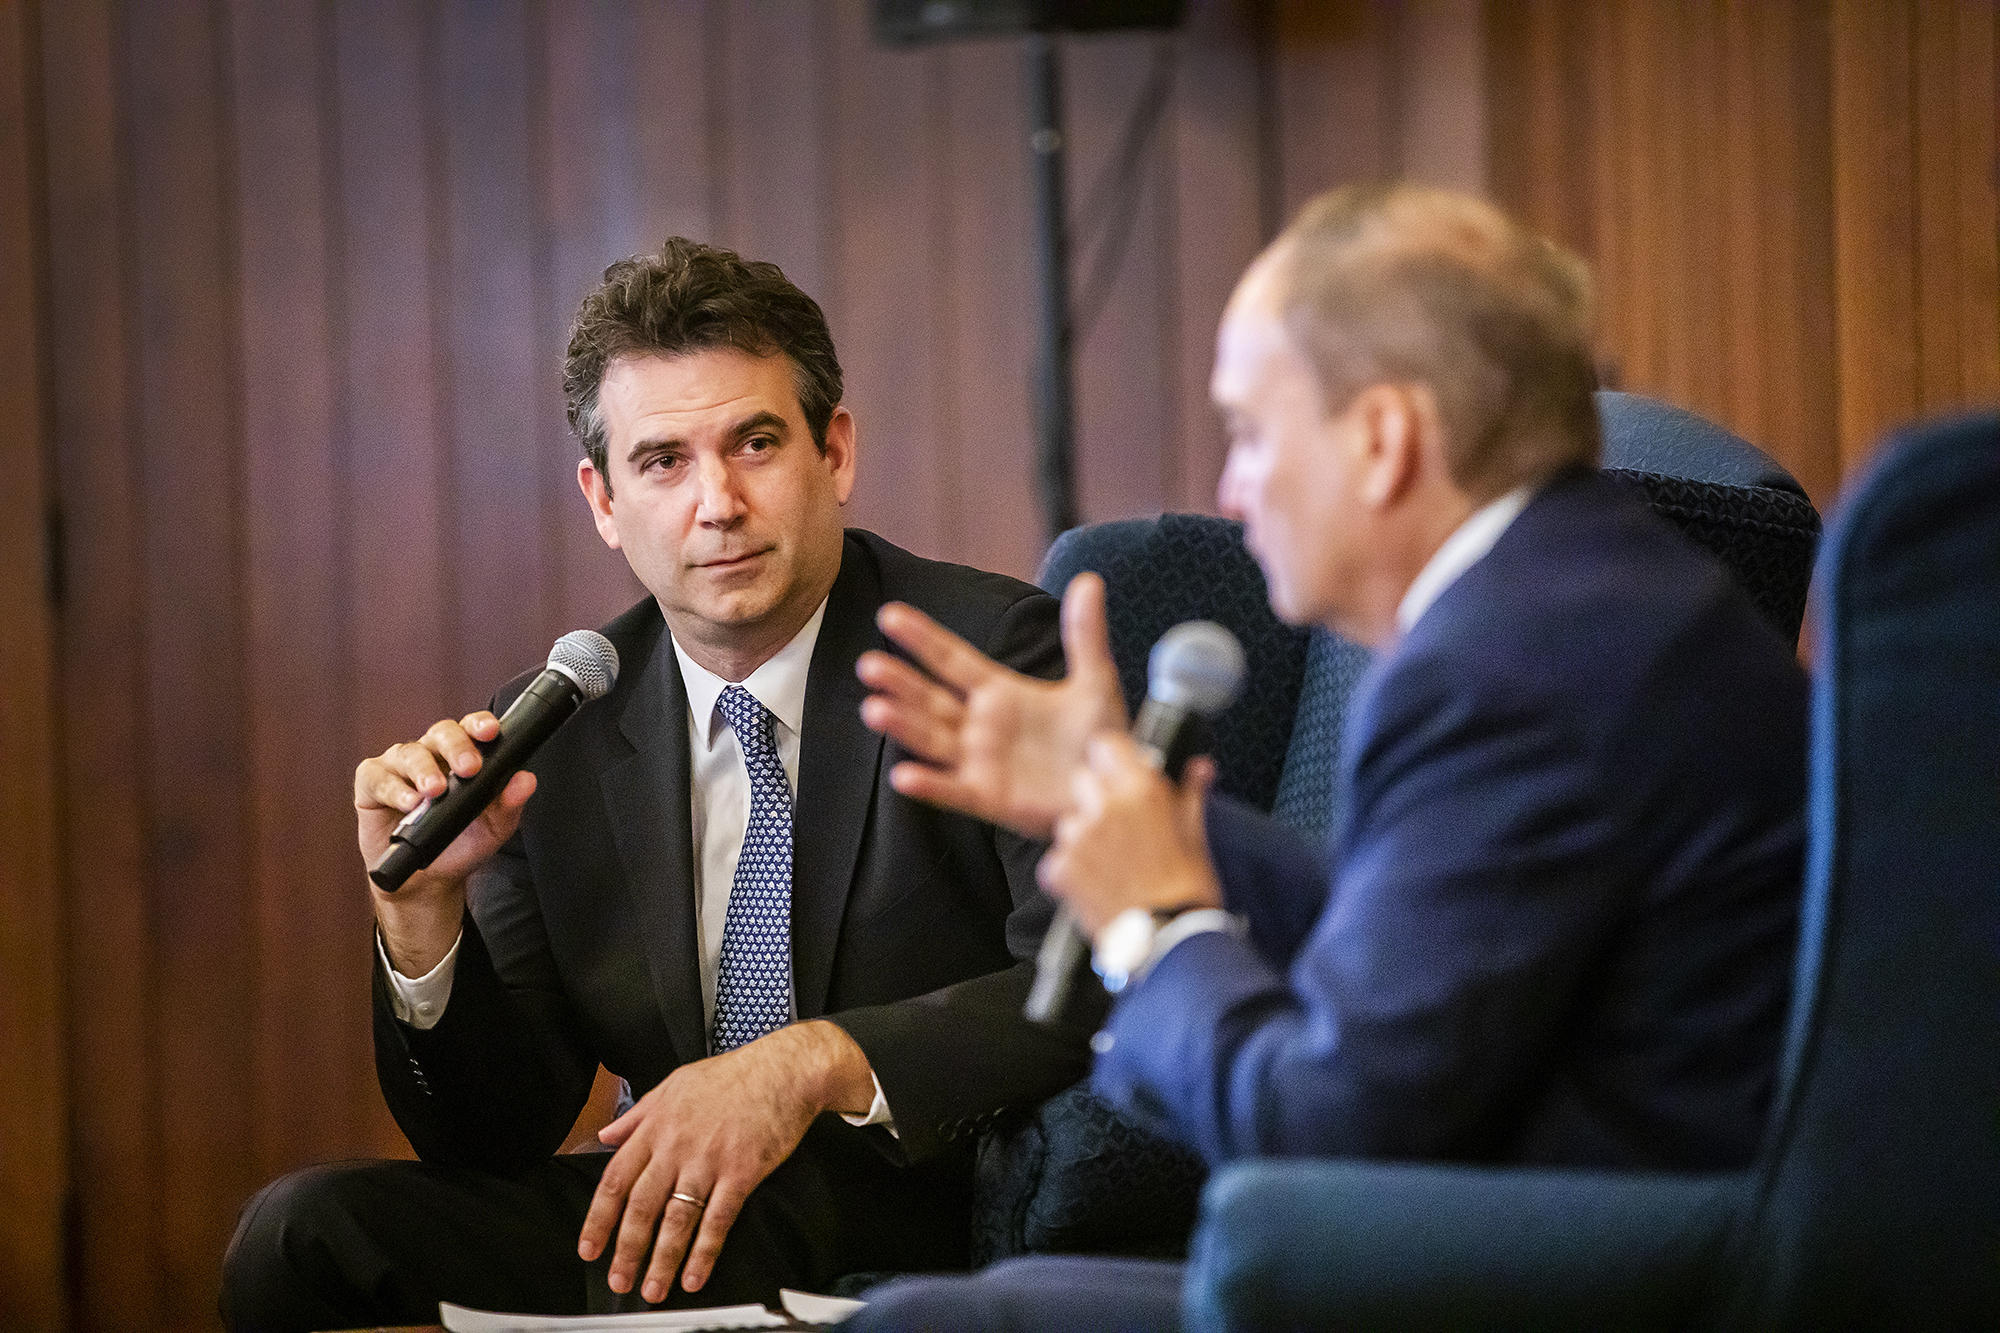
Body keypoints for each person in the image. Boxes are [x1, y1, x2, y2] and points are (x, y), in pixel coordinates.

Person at [848, 184, 1807, 1329]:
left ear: (1381, 439)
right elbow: (1423, 934)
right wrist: (1144, 810)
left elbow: (1327, 1127)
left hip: (1581, 1273)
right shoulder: (1585, 600)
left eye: (1251, 432)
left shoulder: (1500, 672)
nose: (1227, 488)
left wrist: (1153, 925)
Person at [220, 238, 1096, 1331]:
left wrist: (808, 1064)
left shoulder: (982, 651)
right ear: (602, 497)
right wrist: (419, 915)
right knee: (301, 1236)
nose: (716, 502)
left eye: (755, 443)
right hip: (653, 1216)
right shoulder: (563, 723)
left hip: (901, 1202)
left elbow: (1090, 973)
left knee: (684, 1235)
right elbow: (494, 1135)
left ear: (835, 452)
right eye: (663, 461)